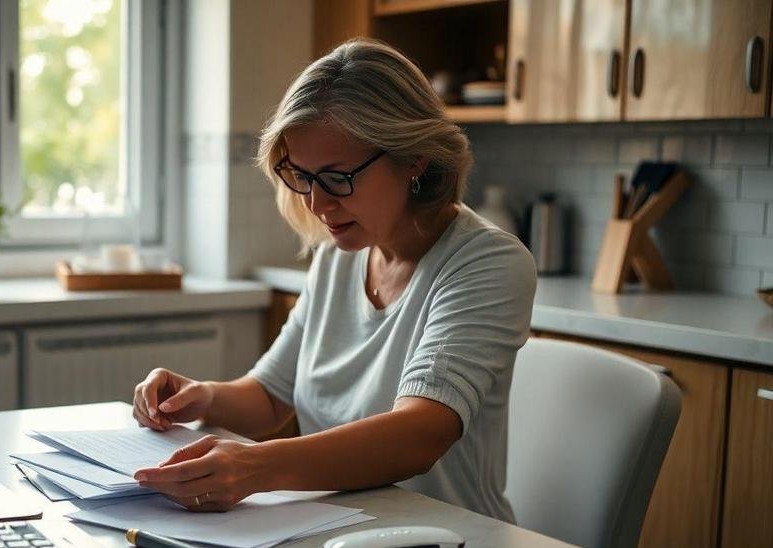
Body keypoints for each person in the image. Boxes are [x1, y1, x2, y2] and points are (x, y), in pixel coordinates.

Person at [131, 38, 537, 521]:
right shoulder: (339, 257)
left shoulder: (488, 262)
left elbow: (420, 434)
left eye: (338, 178)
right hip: (335, 532)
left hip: (454, 545)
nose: (317, 205)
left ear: (415, 159)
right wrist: (202, 397)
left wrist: (256, 466)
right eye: (300, 176)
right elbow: (270, 397)